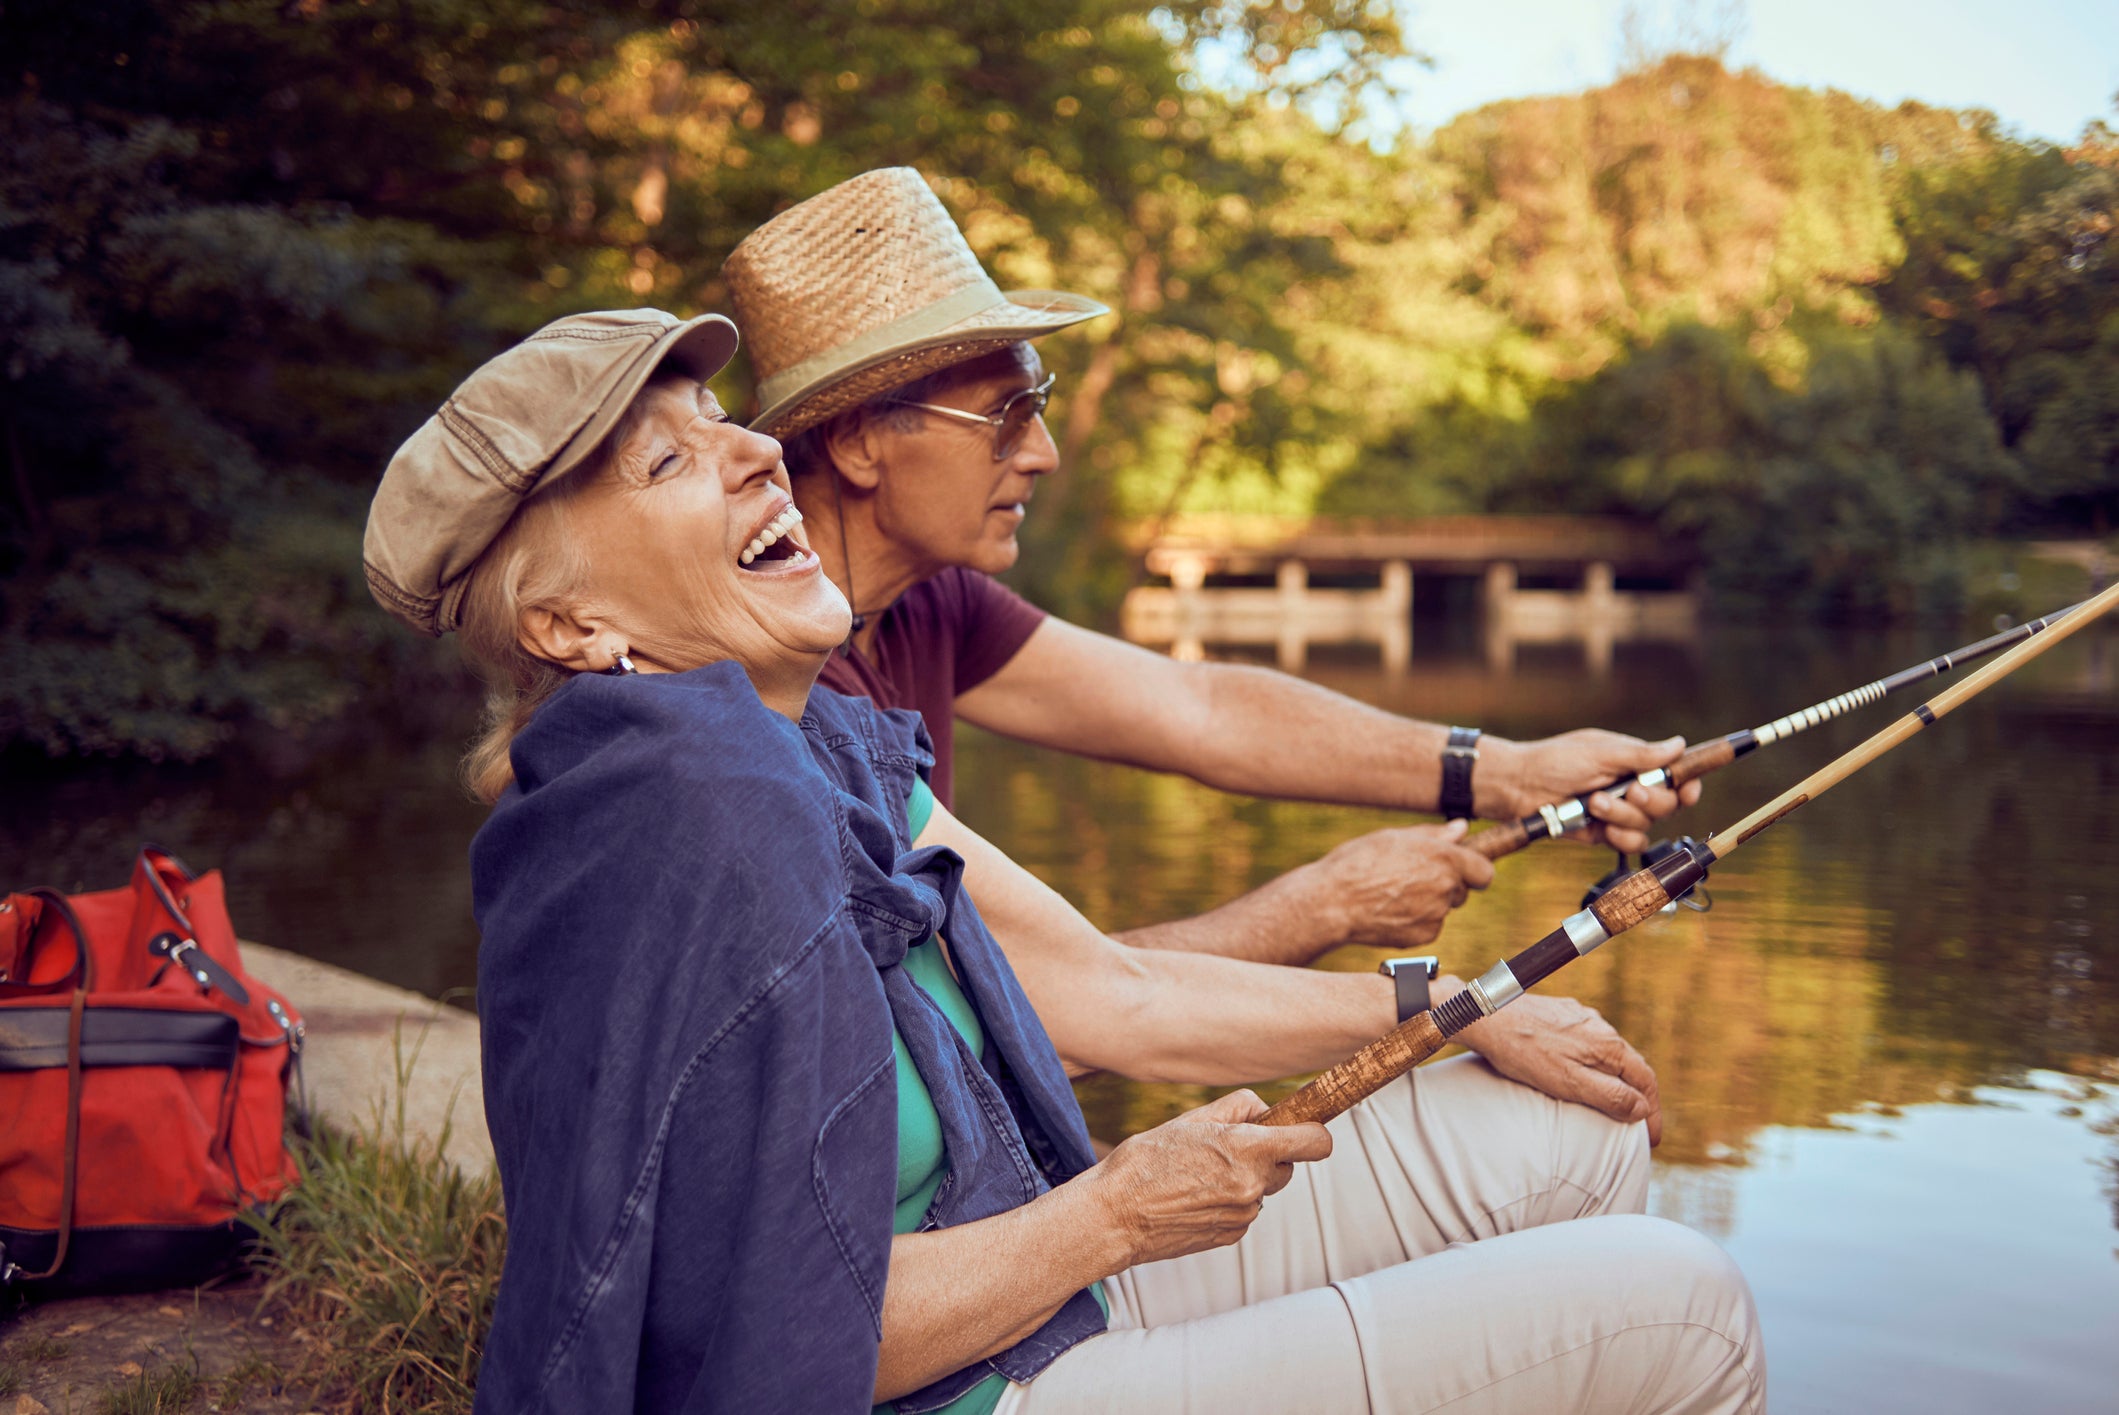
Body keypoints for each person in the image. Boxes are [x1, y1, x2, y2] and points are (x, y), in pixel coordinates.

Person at [361, 308, 1764, 1412]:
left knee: (1568, 1130)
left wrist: (1461, 981)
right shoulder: (695, 816)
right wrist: (1114, 1209)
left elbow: (1112, 955)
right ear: (568, 626)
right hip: (971, 1366)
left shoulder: (818, 736)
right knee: (1681, 1302)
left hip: (1023, 1276)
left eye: (724, 425)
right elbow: (765, 1351)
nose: (750, 452)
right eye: (668, 460)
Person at [723, 168, 1705, 966]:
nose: (1043, 453)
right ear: (857, 444)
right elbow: (1033, 1001)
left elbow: (1199, 710)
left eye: (1043, 403)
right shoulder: (775, 689)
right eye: (1005, 414)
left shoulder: (927, 601)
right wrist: (1323, 906)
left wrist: (1509, 772)